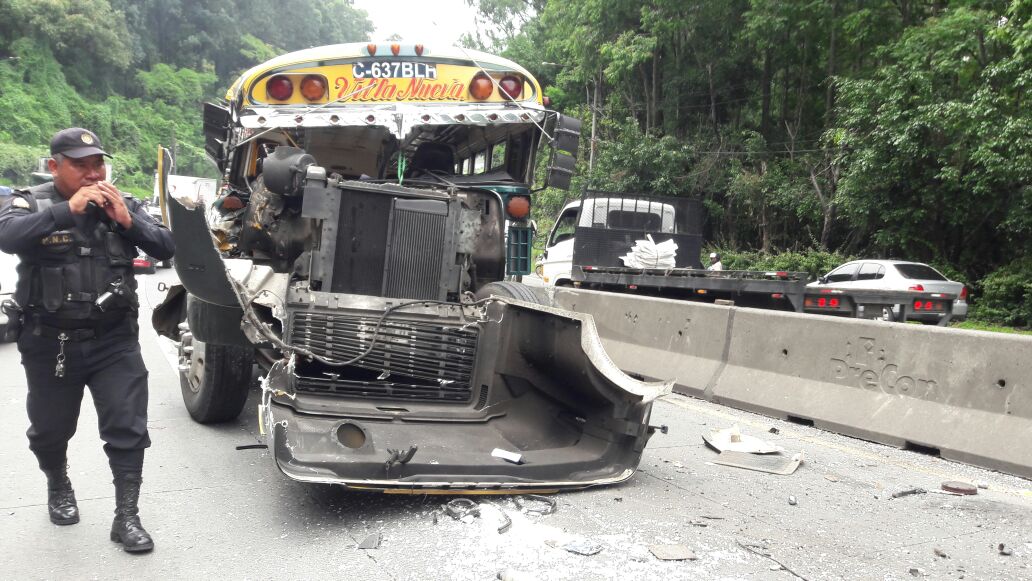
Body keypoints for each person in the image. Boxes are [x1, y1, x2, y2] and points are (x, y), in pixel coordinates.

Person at [0, 128, 174, 553]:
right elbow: (7, 236)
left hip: (114, 340)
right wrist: (67, 212)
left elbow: (167, 248)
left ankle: (126, 517)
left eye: (98, 163)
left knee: (128, 428)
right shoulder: (31, 203)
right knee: (49, 430)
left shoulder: (122, 202)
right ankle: (58, 482)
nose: (94, 172)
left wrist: (128, 221)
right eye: (81, 164)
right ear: (55, 166)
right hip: (50, 342)